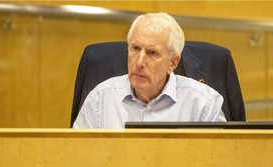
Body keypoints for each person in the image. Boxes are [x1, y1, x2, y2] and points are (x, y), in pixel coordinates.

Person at [73, 12, 226, 128]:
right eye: (135, 48)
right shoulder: (99, 99)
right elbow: (75, 159)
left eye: (152, 53)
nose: (139, 62)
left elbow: (219, 163)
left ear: (172, 62)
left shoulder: (203, 105)